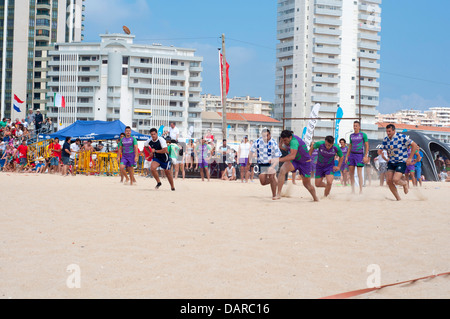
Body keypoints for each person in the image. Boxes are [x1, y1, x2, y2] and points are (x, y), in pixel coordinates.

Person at [378, 124, 418, 201]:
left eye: (389, 131)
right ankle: (398, 199)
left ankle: (405, 183)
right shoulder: (386, 139)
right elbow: (381, 148)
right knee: (389, 181)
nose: (388, 133)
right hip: (391, 161)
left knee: (395, 180)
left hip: (401, 161)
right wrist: (380, 152)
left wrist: (410, 158)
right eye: (387, 131)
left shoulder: (401, 137)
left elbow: (414, 145)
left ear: (394, 130)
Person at [276, 130, 319, 201]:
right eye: (283, 140)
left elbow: (292, 156)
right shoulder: (287, 141)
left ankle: (315, 198)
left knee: (307, 184)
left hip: (305, 162)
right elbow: (283, 148)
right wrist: (281, 143)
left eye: (286, 140)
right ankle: (278, 194)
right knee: (282, 170)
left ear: (290, 137)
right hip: (295, 160)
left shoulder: (294, 142)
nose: (285, 142)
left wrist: (279, 160)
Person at [246, 128, 282, 200]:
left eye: (267, 135)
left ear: (270, 135)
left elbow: (278, 157)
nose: (265, 137)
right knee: (263, 182)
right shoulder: (258, 141)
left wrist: (273, 166)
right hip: (262, 163)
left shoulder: (273, 143)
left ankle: (274, 195)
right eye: (264, 136)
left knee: (271, 176)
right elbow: (251, 152)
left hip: (272, 162)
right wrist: (248, 162)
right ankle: (275, 181)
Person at [345, 121, 369, 194]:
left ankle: (361, 190)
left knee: (359, 174)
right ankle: (353, 190)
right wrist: (346, 156)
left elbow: (367, 145)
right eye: (354, 125)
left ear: (359, 127)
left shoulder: (363, 135)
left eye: (356, 126)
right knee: (351, 173)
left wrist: (365, 156)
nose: (355, 127)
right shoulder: (351, 135)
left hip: (359, 155)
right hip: (352, 155)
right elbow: (350, 146)